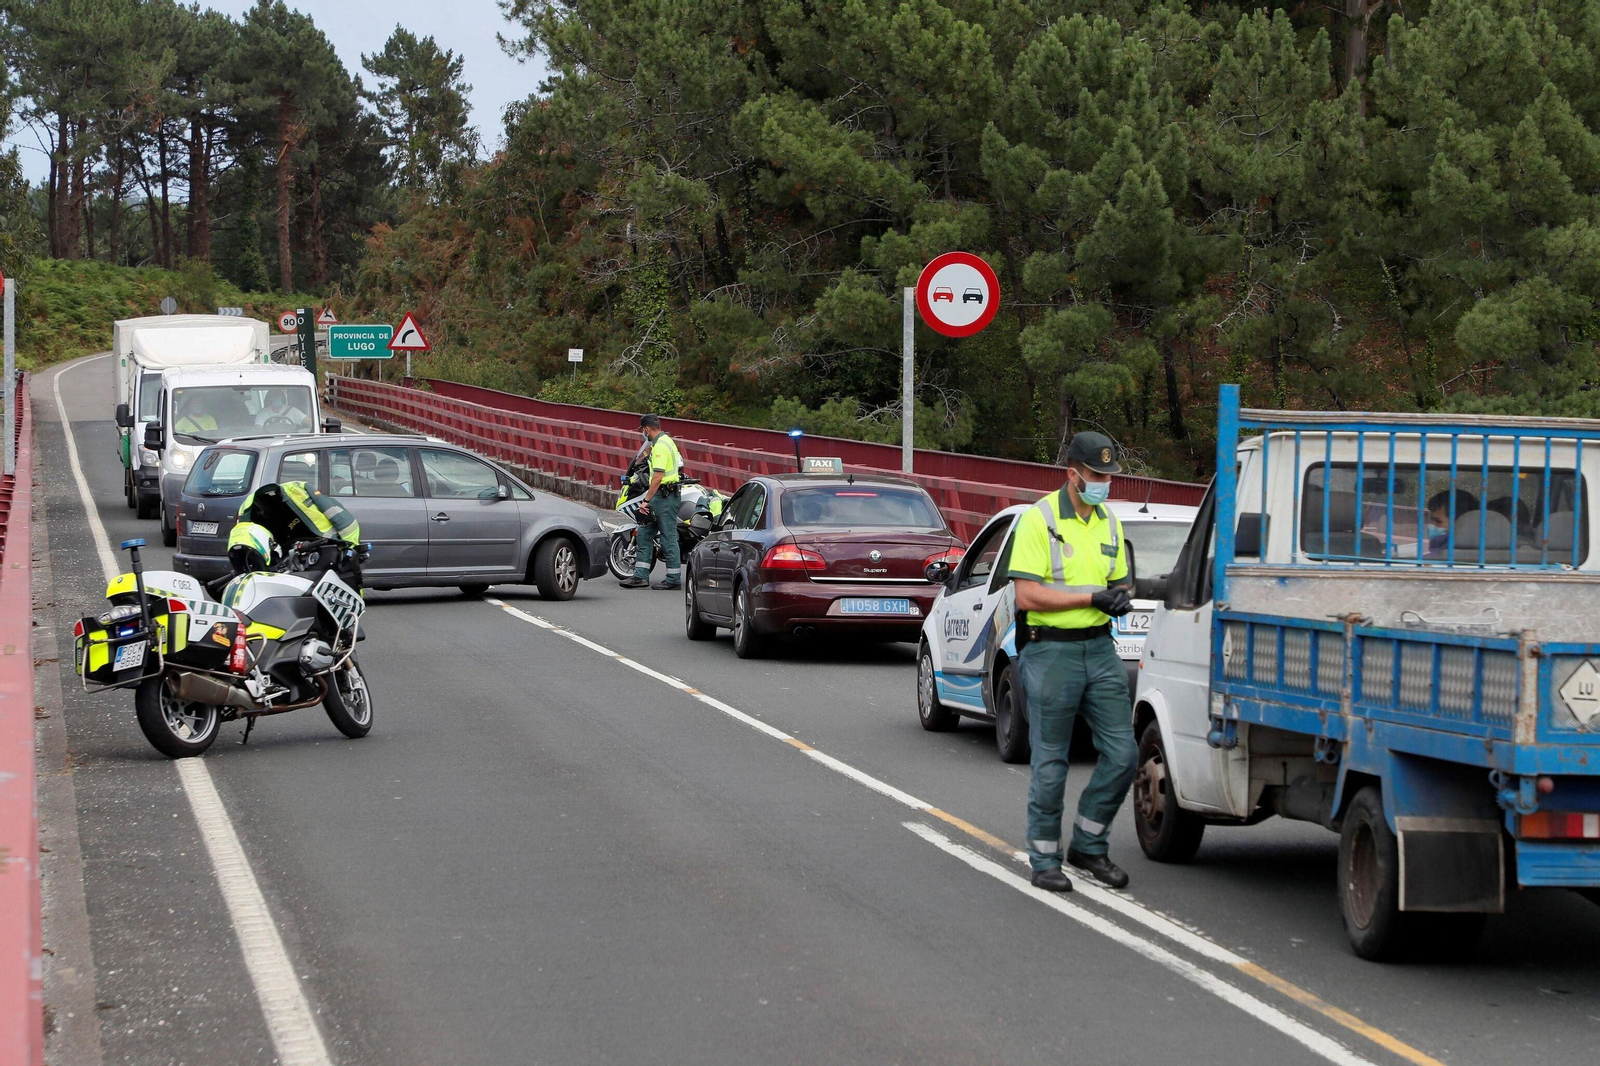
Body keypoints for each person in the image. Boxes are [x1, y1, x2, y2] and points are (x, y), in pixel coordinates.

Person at [1007, 431, 1137, 892]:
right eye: (1097, 475)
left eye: (1109, 476)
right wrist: (1091, 596)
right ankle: (1044, 859)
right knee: (1051, 761)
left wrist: (1122, 597)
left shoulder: (1110, 522)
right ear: (1073, 474)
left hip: (1100, 649)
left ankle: (1088, 845)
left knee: (1124, 754)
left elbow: (1121, 581)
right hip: (1050, 649)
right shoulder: (1039, 520)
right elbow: (1025, 595)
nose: (1104, 483)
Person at [619, 414, 685, 590]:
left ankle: (673, 578)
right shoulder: (664, 442)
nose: (643, 434)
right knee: (644, 533)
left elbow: (657, 476)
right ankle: (640, 576)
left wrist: (645, 500)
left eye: (643, 431)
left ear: (647, 429)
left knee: (668, 537)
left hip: (664, 497)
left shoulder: (661, 446)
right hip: (662, 496)